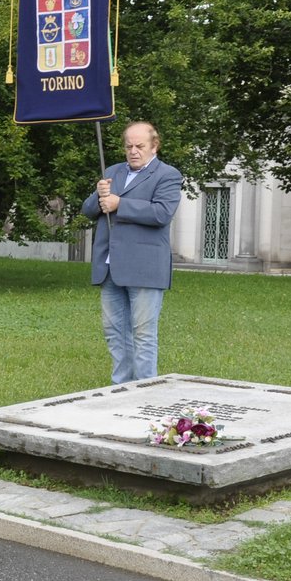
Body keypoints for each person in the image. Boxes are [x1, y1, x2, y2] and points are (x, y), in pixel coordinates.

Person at [81, 121, 182, 384]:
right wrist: (99, 194)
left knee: (143, 333)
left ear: (154, 146)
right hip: (110, 266)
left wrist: (119, 203)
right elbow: (90, 210)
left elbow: (161, 213)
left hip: (145, 267)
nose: (133, 151)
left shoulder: (168, 175)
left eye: (140, 146)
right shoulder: (113, 171)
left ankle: (145, 391)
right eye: (129, 146)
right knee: (114, 331)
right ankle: (120, 388)